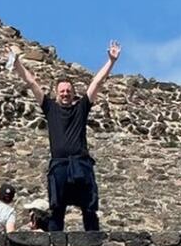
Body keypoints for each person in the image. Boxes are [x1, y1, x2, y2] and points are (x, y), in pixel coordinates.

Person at [8, 41, 121, 231]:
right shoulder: (50, 108)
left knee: (89, 208)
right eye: (62, 91)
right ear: (56, 93)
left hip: (81, 164)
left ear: (73, 93)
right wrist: (17, 62)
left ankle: (94, 243)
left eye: (68, 91)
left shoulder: (81, 108)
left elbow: (97, 82)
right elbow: (31, 82)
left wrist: (111, 61)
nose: (65, 94)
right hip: (60, 165)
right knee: (56, 208)